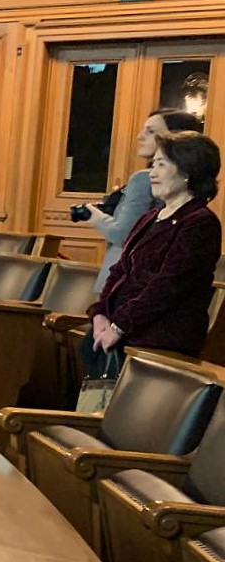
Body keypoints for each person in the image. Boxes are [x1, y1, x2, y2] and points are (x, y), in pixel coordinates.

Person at [83, 130, 223, 378]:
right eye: (153, 164)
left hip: (160, 341)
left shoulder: (199, 222)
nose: (152, 173)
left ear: (188, 171)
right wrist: (101, 312)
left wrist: (119, 326)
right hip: (125, 330)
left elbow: (168, 286)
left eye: (161, 164)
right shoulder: (150, 216)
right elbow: (120, 270)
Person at [84, 108, 204, 292]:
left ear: (174, 137)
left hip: (125, 279)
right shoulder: (192, 185)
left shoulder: (143, 179)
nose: (140, 136)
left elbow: (123, 234)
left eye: (150, 131)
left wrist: (91, 215)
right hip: (152, 281)